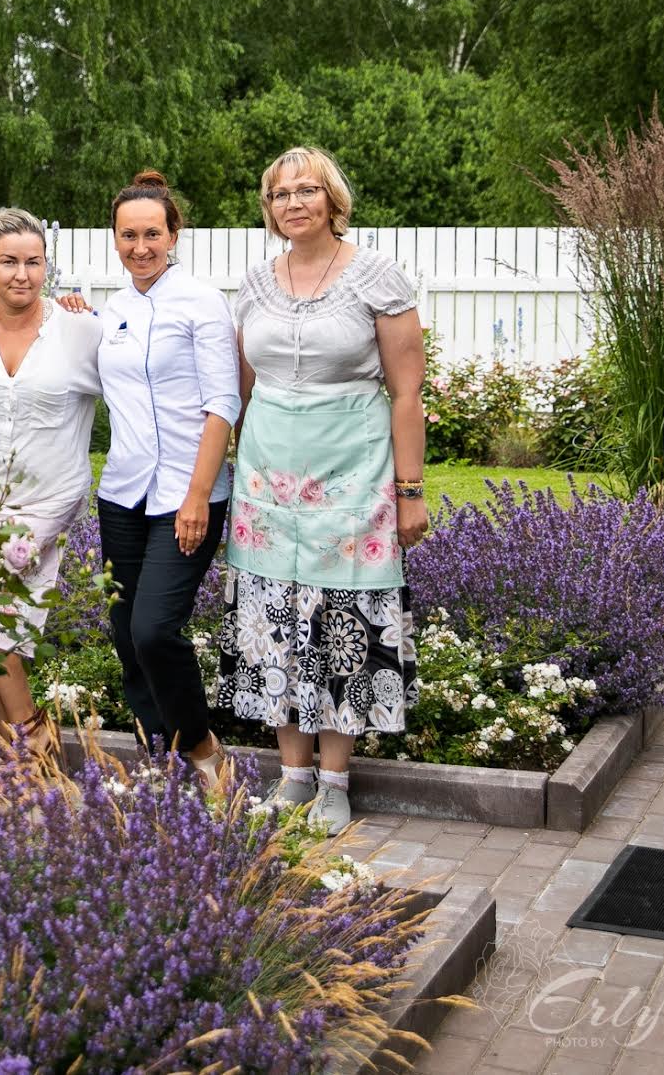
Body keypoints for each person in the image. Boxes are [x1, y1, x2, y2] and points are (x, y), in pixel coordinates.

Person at [216, 146, 428, 834]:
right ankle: (293, 775)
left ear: (332, 200)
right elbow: (240, 393)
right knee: (275, 617)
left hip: (353, 470)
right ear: (268, 207)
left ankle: (334, 780)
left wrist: (409, 488)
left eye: (307, 190)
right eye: (280, 193)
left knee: (341, 622)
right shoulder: (254, 283)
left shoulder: (376, 277)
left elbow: (405, 391)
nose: (293, 202)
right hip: (268, 477)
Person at [94, 171, 240, 789]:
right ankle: (164, 760)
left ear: (174, 233)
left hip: (188, 493)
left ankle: (205, 750)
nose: (140, 246)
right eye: (129, 235)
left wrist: (198, 496)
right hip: (122, 494)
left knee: (155, 629)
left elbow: (223, 404)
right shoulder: (114, 308)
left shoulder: (202, 303)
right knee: (127, 636)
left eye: (152, 233)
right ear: (116, 238)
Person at [0, 206, 102, 736]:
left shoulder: (79, 331)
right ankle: (15, 762)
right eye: (9, 261)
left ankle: (37, 753)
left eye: (34, 262)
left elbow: (135, 392)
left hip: (45, 505)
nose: (22, 275)